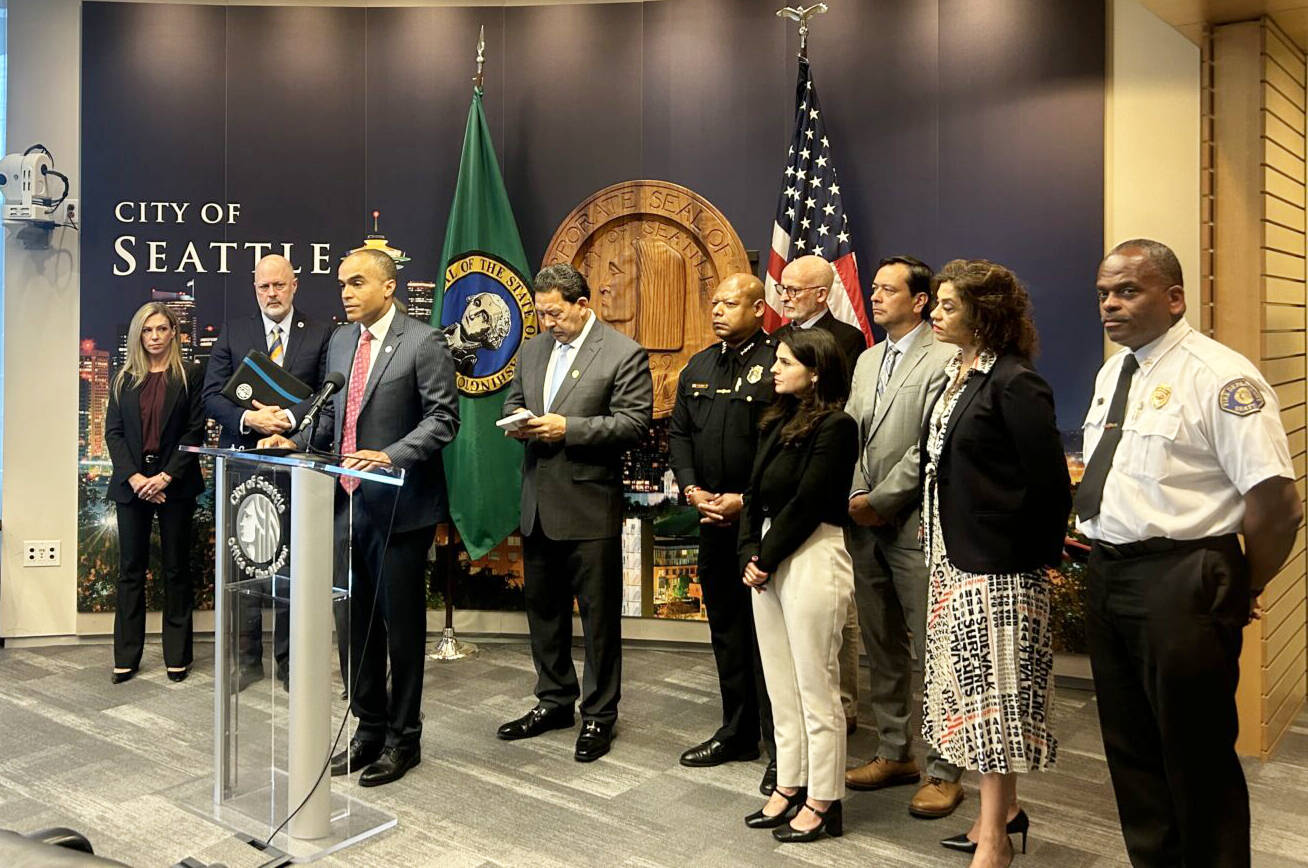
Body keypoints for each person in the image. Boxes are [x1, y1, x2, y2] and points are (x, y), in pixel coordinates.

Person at [1077, 239, 1300, 868]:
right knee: (1131, 751)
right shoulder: (1115, 371)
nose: (1110, 305)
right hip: (1109, 573)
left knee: (1195, 755)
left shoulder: (1221, 376)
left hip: (1184, 578)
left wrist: (1242, 584)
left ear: (1174, 298)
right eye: (1103, 293)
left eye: (1127, 291)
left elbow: (1279, 505)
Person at [259, 247, 459, 787]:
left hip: (399, 506)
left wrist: (390, 454)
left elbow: (443, 420)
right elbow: (331, 419)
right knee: (352, 626)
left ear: (389, 287)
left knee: (401, 630)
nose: (345, 292)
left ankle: (403, 739)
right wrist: (294, 439)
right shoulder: (342, 341)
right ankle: (368, 730)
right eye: (342, 283)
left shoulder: (424, 341)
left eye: (357, 282)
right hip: (346, 504)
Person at [919, 259, 1069, 866]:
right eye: (937, 302)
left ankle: (996, 843)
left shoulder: (1014, 382)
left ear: (986, 315)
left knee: (994, 709)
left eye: (949, 305)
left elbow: (1050, 487)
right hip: (954, 562)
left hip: (999, 571)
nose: (935, 313)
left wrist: (1027, 562)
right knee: (971, 705)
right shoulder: (957, 376)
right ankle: (1001, 817)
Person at [497, 263, 653, 763]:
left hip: (590, 508)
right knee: (543, 613)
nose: (547, 322)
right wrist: (518, 421)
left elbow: (633, 424)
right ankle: (554, 701)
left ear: (583, 304)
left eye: (555, 312)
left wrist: (570, 428)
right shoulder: (535, 348)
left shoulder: (622, 353)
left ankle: (600, 715)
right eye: (541, 313)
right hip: (538, 505)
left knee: (600, 621)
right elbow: (515, 399)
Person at [841, 256, 962, 817]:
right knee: (882, 644)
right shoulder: (866, 360)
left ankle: (942, 768)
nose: (876, 296)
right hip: (862, 526)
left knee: (932, 648)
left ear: (920, 300)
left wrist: (880, 499)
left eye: (889, 289)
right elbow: (850, 434)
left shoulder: (947, 359)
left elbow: (930, 443)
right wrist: (853, 498)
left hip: (914, 525)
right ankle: (895, 751)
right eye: (873, 288)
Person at [740, 328, 858, 843]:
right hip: (768, 555)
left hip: (812, 553)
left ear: (816, 371)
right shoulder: (777, 419)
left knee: (816, 686)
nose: (774, 368)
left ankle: (824, 799)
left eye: (785, 361)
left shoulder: (837, 426)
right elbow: (753, 493)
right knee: (780, 685)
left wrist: (763, 557)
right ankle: (789, 784)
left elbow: (809, 502)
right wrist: (750, 551)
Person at [202, 253, 332, 691]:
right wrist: (250, 420)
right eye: (264, 287)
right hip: (244, 465)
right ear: (254, 288)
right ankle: (246, 661)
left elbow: (325, 395)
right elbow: (211, 397)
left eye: (279, 285)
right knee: (246, 566)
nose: (272, 294)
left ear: (294, 285)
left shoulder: (320, 333)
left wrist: (288, 421)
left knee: (291, 567)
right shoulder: (234, 331)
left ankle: (289, 663)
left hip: (296, 465)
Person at [667, 273, 777, 791]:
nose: (717, 311)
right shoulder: (700, 366)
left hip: (760, 523)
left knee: (772, 640)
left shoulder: (779, 364)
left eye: (730, 304)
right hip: (711, 517)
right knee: (727, 633)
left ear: (758, 309)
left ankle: (783, 748)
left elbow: (786, 445)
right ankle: (737, 731)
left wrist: (745, 501)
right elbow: (680, 432)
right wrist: (691, 490)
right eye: (714, 303)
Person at [770, 253, 866, 731]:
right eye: (782, 288)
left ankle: (842, 707)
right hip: (780, 481)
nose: (783, 296)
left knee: (833, 614)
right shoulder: (777, 339)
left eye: (793, 290)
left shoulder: (847, 342)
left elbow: (834, 417)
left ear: (822, 294)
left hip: (822, 489)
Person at [103, 301, 206, 684]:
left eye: (162, 329)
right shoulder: (122, 378)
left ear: (173, 333)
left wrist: (164, 478)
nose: (155, 337)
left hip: (174, 486)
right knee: (131, 570)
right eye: (148, 331)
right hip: (132, 487)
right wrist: (134, 478)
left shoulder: (191, 374)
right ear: (138, 335)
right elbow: (113, 433)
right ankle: (126, 658)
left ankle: (177, 657)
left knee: (177, 570)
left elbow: (194, 431)